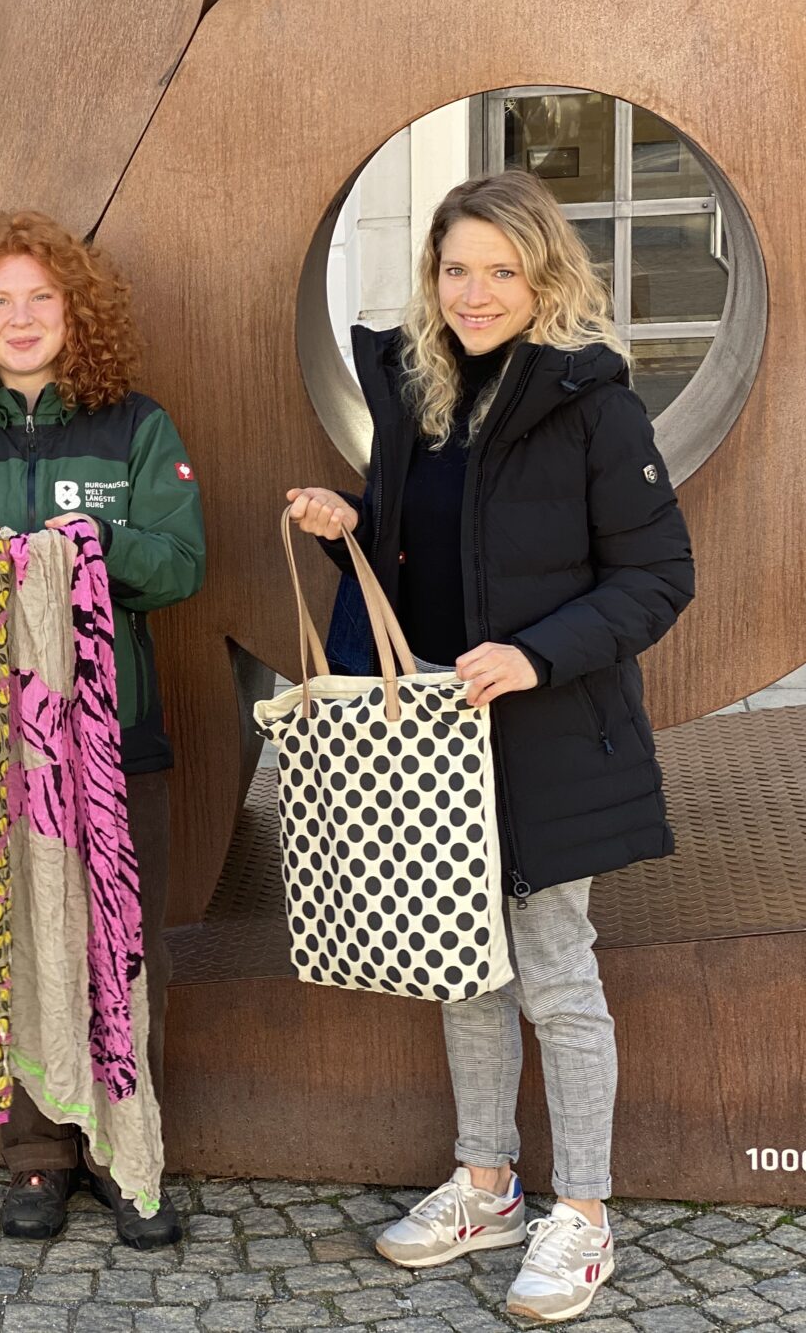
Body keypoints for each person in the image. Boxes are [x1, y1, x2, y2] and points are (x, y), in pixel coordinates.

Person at [286, 170, 694, 1323]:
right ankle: (485, 1186)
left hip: (550, 737)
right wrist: (348, 528)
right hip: (435, 740)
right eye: (456, 269)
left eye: (500, 271)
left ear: (543, 276)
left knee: (555, 976)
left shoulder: (595, 407)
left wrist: (533, 655)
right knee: (461, 965)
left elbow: (659, 577)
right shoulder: (419, 393)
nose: (474, 293)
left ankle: (585, 1215)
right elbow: (427, 548)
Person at [0, 209, 206, 1249]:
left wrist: (84, 542)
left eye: (40, 298)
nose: (20, 320)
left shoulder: (136, 428)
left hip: (114, 744)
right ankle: (37, 1156)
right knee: (14, 940)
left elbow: (180, 562)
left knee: (121, 947)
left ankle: (121, 1152)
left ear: (76, 311)